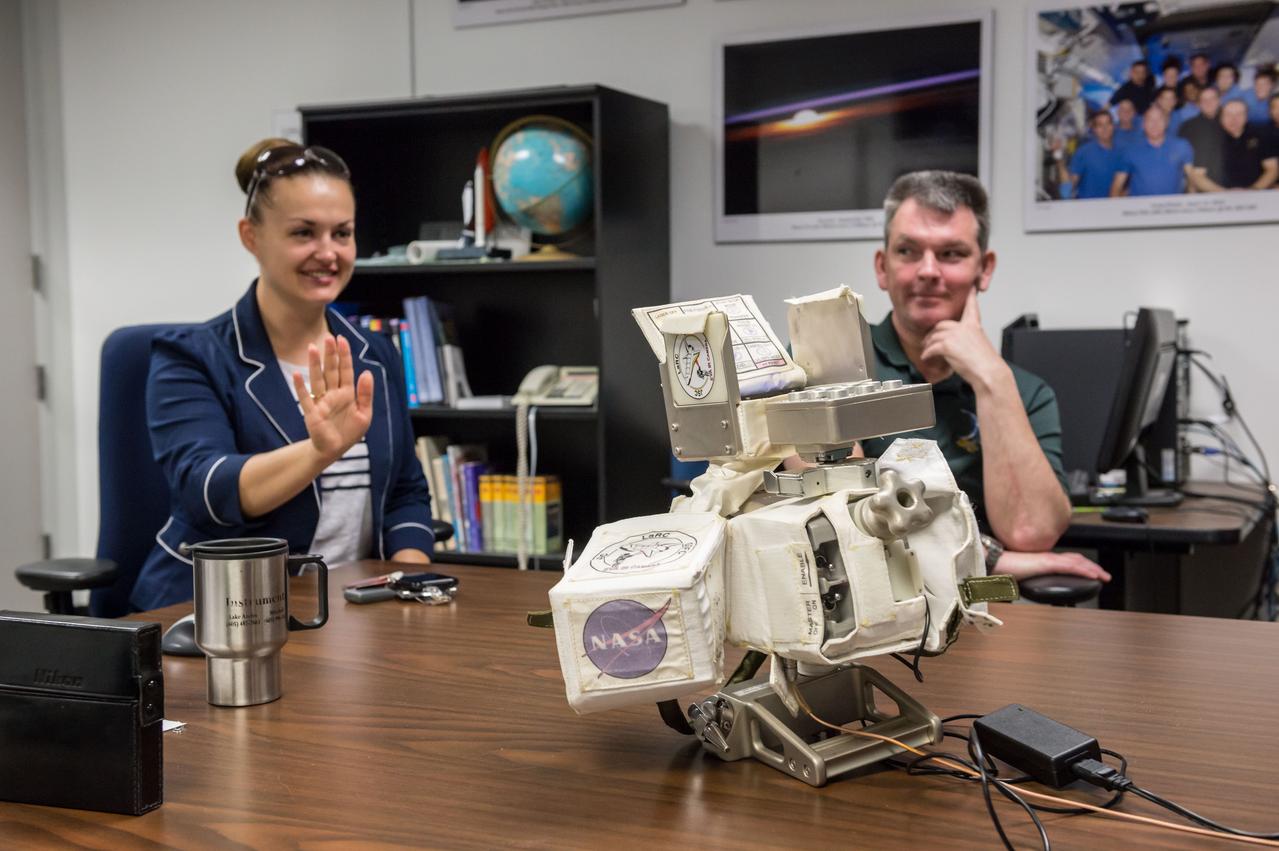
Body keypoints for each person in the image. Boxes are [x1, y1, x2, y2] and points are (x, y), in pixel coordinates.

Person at [132, 139, 435, 610]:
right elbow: (208, 490)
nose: (328, 252)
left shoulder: (373, 354)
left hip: (355, 611)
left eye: (342, 233)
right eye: (303, 233)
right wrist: (318, 452)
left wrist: (408, 578)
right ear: (251, 236)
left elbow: (405, 490)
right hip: (222, 613)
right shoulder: (191, 356)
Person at [856, 171, 1108, 584]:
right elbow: (846, 517)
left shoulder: (1026, 391)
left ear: (984, 269)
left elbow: (1033, 531)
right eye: (908, 251)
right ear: (883, 267)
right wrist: (993, 559)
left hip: (988, 616)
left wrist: (990, 378)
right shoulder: (834, 365)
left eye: (952, 253)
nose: (928, 271)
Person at [1111, 105, 1197, 196]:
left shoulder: (1181, 145)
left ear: (1166, 123)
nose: (1155, 124)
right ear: (1143, 124)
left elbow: (1192, 179)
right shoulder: (1130, 150)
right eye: (1150, 120)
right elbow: (1116, 187)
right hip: (1140, 208)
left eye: (1159, 119)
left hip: (1172, 207)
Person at [1056, 110, 1122, 199]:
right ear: (1094, 129)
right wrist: (1058, 158)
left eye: (1108, 124)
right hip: (1088, 209)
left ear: (1113, 126)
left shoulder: (1122, 152)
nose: (1105, 128)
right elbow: (1067, 191)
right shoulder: (1083, 152)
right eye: (1100, 125)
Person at [1215, 99, 1279, 189]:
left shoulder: (1262, 135)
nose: (1234, 119)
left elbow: (1272, 169)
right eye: (1228, 114)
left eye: (1239, 114)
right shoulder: (1211, 138)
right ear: (1221, 117)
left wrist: (1252, 190)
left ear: (1246, 117)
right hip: (1220, 195)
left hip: (1257, 193)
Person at [1177, 85, 1227, 186]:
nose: (1208, 103)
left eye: (1212, 99)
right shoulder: (1187, 126)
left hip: (1229, 183)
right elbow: (1181, 157)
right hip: (1196, 183)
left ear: (1219, 101)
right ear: (1199, 104)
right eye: (1204, 100)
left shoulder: (1230, 123)